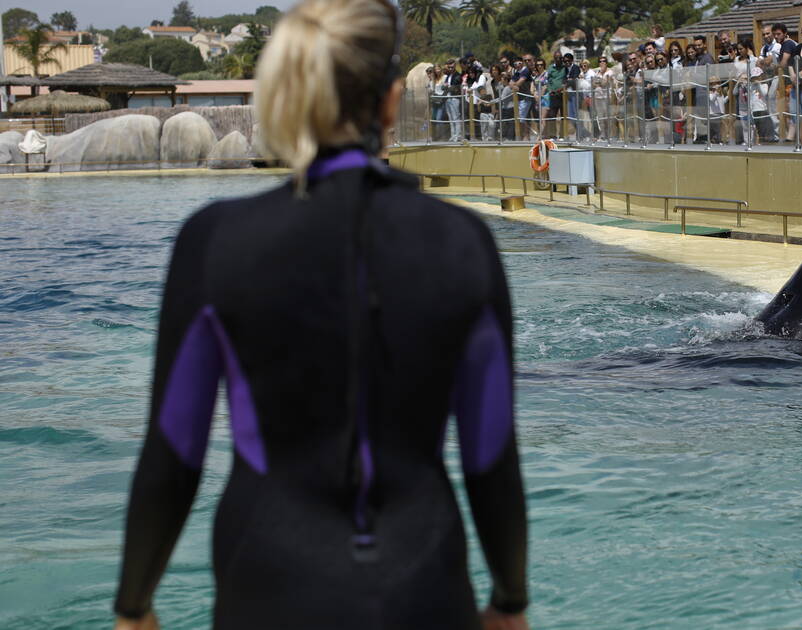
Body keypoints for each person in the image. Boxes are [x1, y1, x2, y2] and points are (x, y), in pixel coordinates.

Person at [111, 1, 530, 629]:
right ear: (392, 103)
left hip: (269, 590)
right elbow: (491, 453)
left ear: (286, 93)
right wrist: (509, 599)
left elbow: (174, 450)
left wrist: (134, 605)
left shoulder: (216, 242)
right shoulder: (463, 242)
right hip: (426, 591)